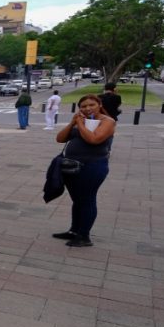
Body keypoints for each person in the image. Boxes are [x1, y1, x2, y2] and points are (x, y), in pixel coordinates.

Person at [52, 94, 116, 247]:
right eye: (83, 106)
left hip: (92, 167)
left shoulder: (107, 122)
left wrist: (80, 123)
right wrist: (73, 122)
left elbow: (93, 139)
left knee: (87, 200)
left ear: (99, 105)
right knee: (77, 200)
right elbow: (60, 139)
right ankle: (74, 230)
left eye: (91, 105)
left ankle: (84, 236)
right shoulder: (79, 121)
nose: (87, 108)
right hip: (72, 166)